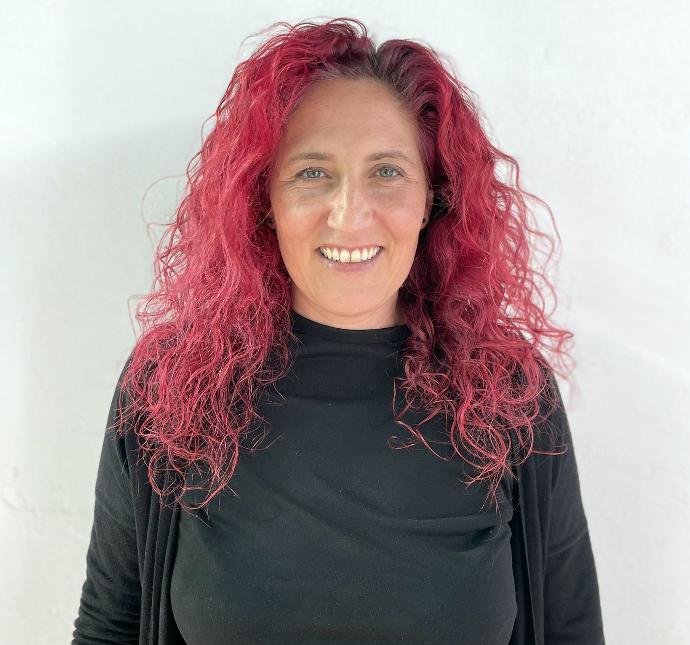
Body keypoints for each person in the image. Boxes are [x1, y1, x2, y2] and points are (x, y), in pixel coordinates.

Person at [72, 17, 605, 645]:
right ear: (264, 200)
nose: (350, 215)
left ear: (432, 197)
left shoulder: (508, 394)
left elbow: (570, 629)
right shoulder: (172, 388)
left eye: (387, 171)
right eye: (312, 172)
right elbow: (111, 625)